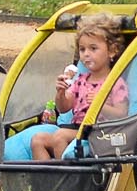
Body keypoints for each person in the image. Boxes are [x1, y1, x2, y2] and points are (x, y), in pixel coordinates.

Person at [30, 14, 131, 161]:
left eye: (93, 48)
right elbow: (64, 108)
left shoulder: (115, 83)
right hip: (77, 129)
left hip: (99, 133)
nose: (86, 54)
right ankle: (46, 181)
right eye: (82, 49)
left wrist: (100, 104)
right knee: (38, 140)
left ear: (112, 51)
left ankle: (68, 181)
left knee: (60, 136)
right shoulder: (81, 80)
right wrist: (61, 92)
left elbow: (122, 115)